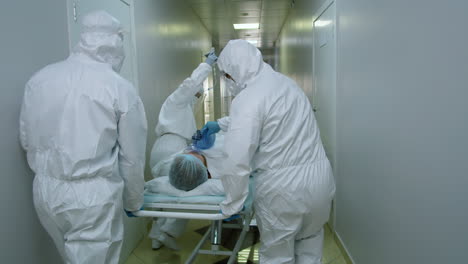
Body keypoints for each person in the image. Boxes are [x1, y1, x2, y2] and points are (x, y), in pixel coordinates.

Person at [19, 10, 147, 264]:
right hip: (91, 198)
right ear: (115, 42)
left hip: (45, 190)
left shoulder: (40, 79)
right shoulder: (119, 87)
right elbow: (132, 157)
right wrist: (134, 201)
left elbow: (26, 139)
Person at [201, 39, 336, 264]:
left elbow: (236, 160)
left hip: (283, 191)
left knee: (277, 256)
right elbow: (270, 116)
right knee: (311, 243)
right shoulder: (286, 84)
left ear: (235, 70)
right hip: (319, 183)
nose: (228, 81)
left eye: (227, 75)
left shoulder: (247, 98)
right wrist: (222, 124)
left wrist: (233, 203)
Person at [148, 48, 218, 250]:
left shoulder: (182, 109)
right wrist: (206, 65)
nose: (197, 95)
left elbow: (192, 103)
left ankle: (155, 236)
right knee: (187, 188)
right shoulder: (176, 100)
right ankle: (168, 232)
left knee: (168, 191)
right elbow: (190, 85)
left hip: (166, 146)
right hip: (171, 147)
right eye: (196, 93)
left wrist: (193, 138)